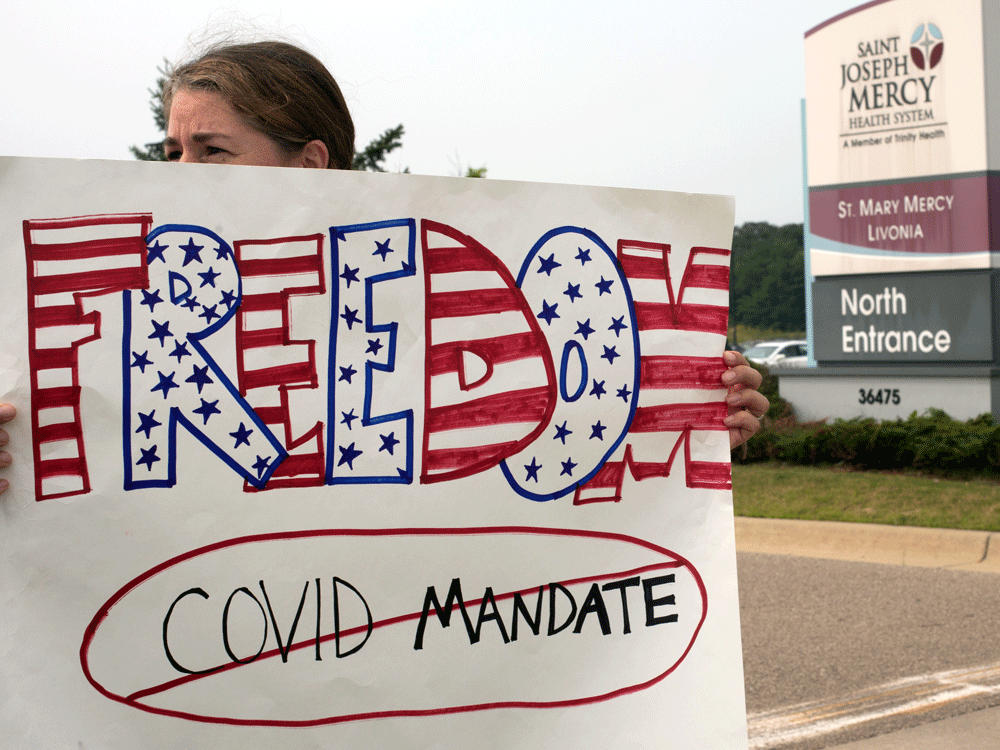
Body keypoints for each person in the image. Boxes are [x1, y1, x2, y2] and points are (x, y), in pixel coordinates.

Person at [0, 40, 767, 497]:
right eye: (173, 151)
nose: (178, 172)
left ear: (309, 164)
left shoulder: (434, 295)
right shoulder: (93, 311)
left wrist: (689, 422)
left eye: (212, 150)